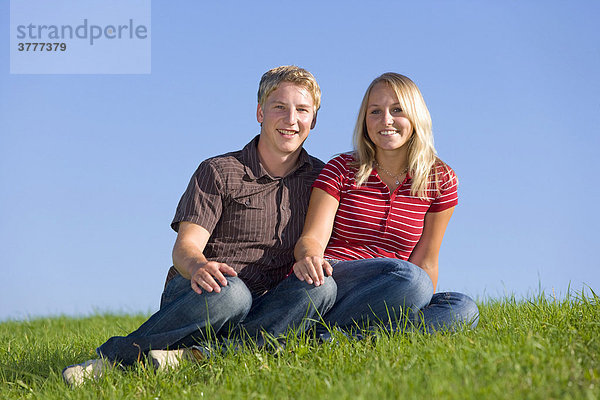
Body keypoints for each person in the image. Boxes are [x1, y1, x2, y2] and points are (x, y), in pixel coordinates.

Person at [62, 65, 337, 386]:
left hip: (268, 306)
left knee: (322, 286)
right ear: (260, 112)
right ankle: (113, 360)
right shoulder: (219, 171)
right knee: (234, 295)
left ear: (313, 120)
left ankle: (201, 356)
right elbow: (185, 249)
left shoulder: (321, 179)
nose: (291, 119)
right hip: (207, 294)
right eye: (280, 107)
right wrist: (199, 267)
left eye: (302, 110)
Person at [293, 72, 479, 334]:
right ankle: (356, 331)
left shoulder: (440, 179)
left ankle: (341, 336)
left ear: (415, 116)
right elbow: (311, 239)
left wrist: (415, 298)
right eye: (375, 111)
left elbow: (427, 260)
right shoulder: (342, 168)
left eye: (397, 110)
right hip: (338, 279)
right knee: (413, 280)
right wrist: (310, 258)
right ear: (365, 120)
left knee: (463, 308)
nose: (386, 120)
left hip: (398, 288)